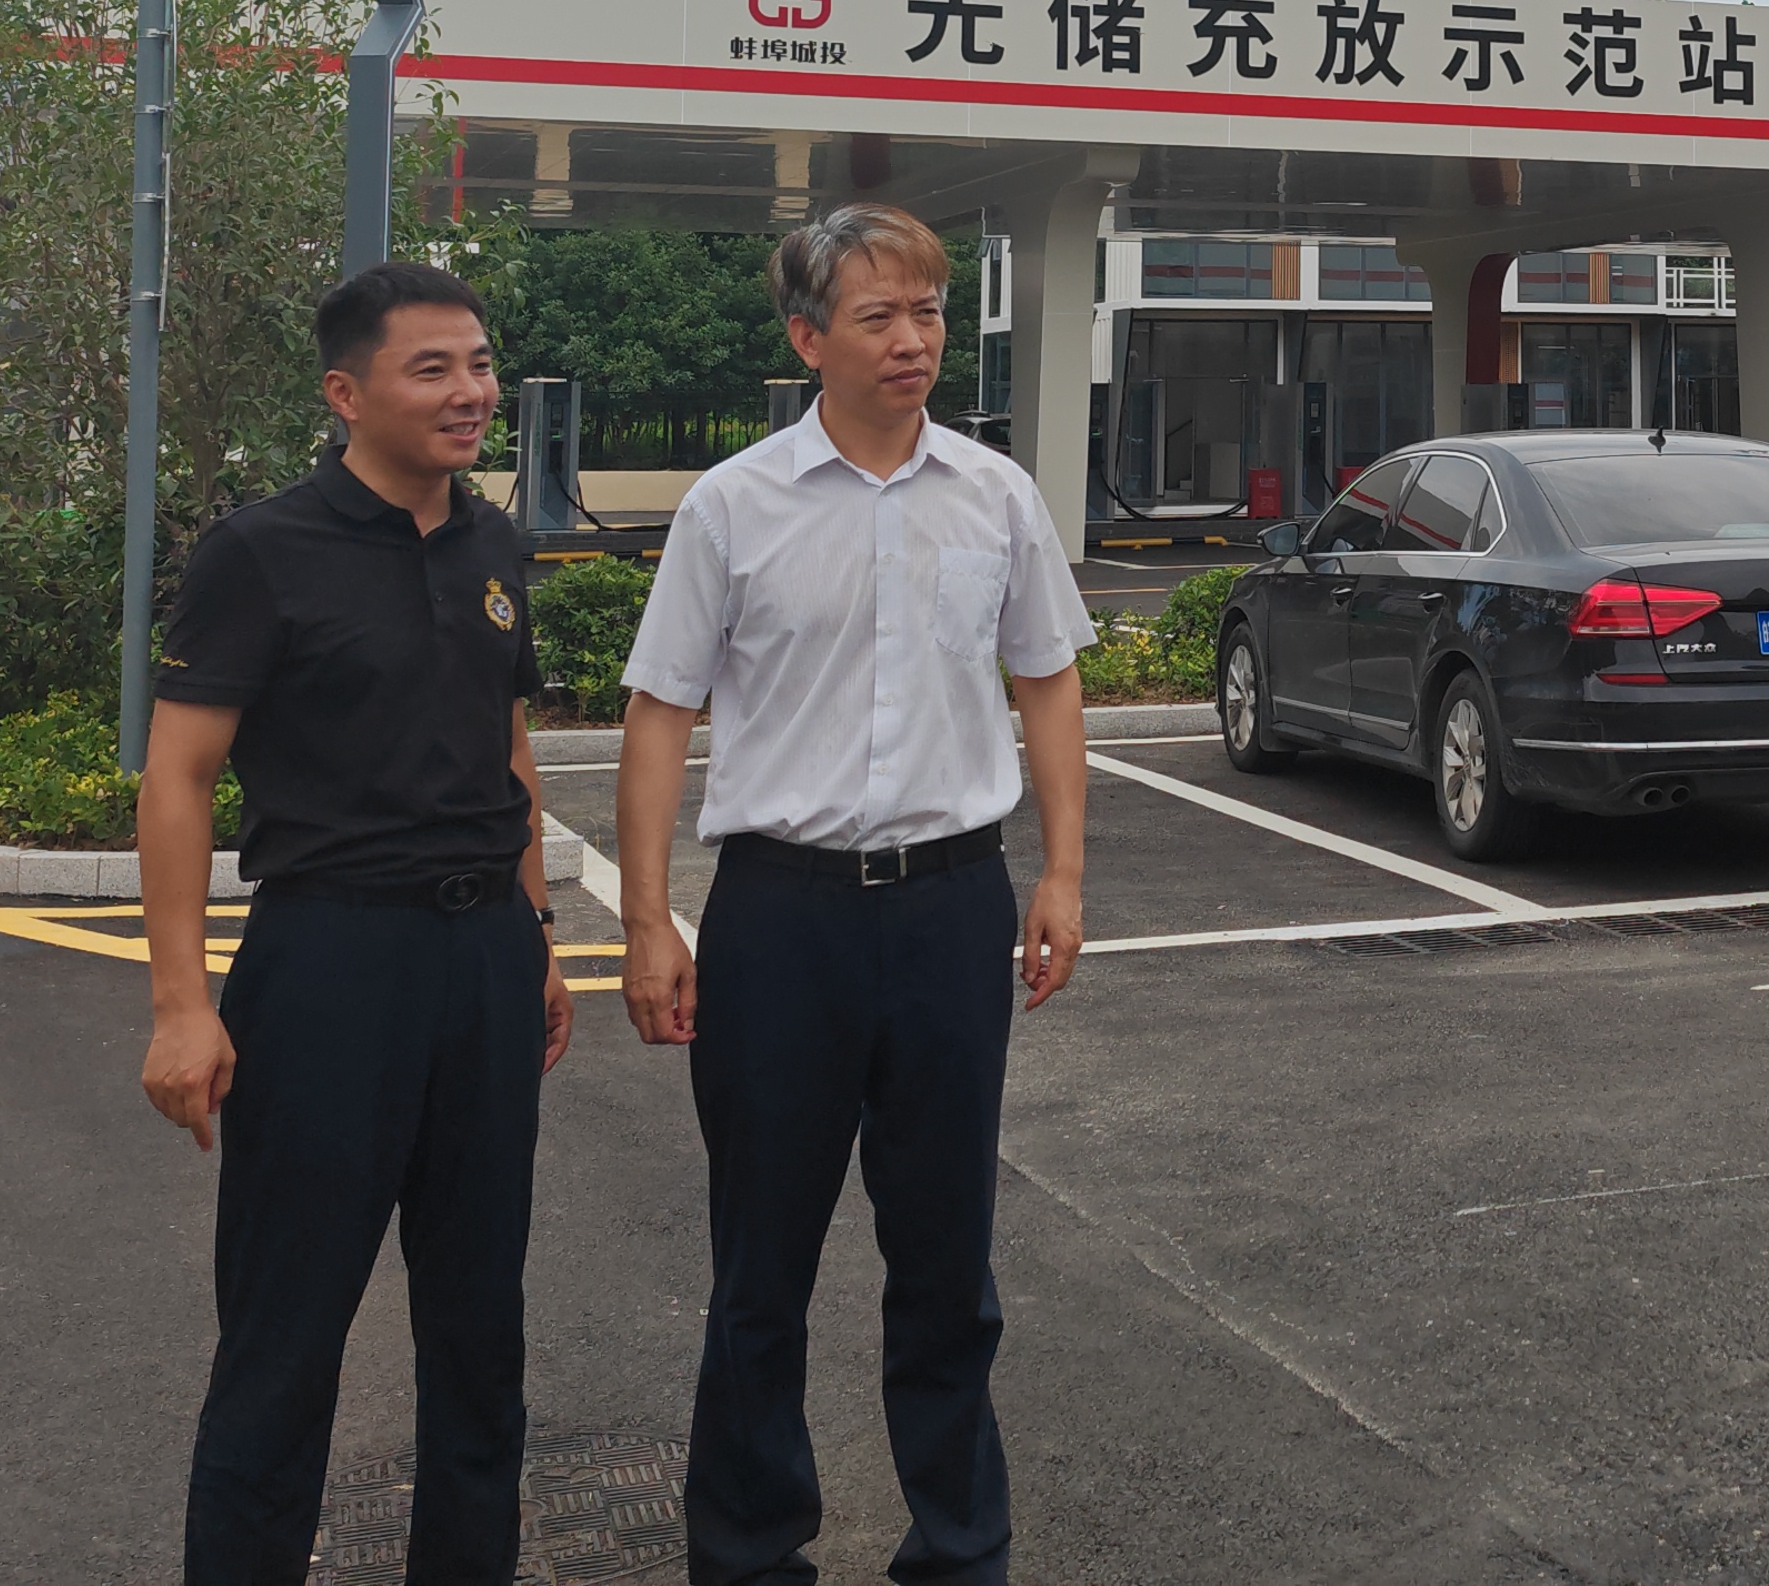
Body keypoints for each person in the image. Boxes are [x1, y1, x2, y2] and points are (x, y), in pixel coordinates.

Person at [614, 203, 1094, 1586]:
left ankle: (960, 1549)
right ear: (807, 337)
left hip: (951, 910)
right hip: (783, 920)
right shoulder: (733, 506)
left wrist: (1062, 872)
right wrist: (646, 921)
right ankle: (750, 1551)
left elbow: (1047, 680)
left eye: (929, 311)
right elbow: (660, 714)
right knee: (760, 1268)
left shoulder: (994, 495)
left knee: (946, 1265)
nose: (913, 339)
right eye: (879, 316)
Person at [136, 262, 575, 1586]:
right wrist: (180, 1005)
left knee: (480, 1335)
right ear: (346, 392)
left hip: (482, 962)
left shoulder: (492, 542)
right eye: (431, 369)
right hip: (328, 965)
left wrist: (538, 932)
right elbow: (179, 777)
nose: (469, 392)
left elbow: (506, 743)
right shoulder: (260, 553)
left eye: (479, 365)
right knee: (286, 1336)